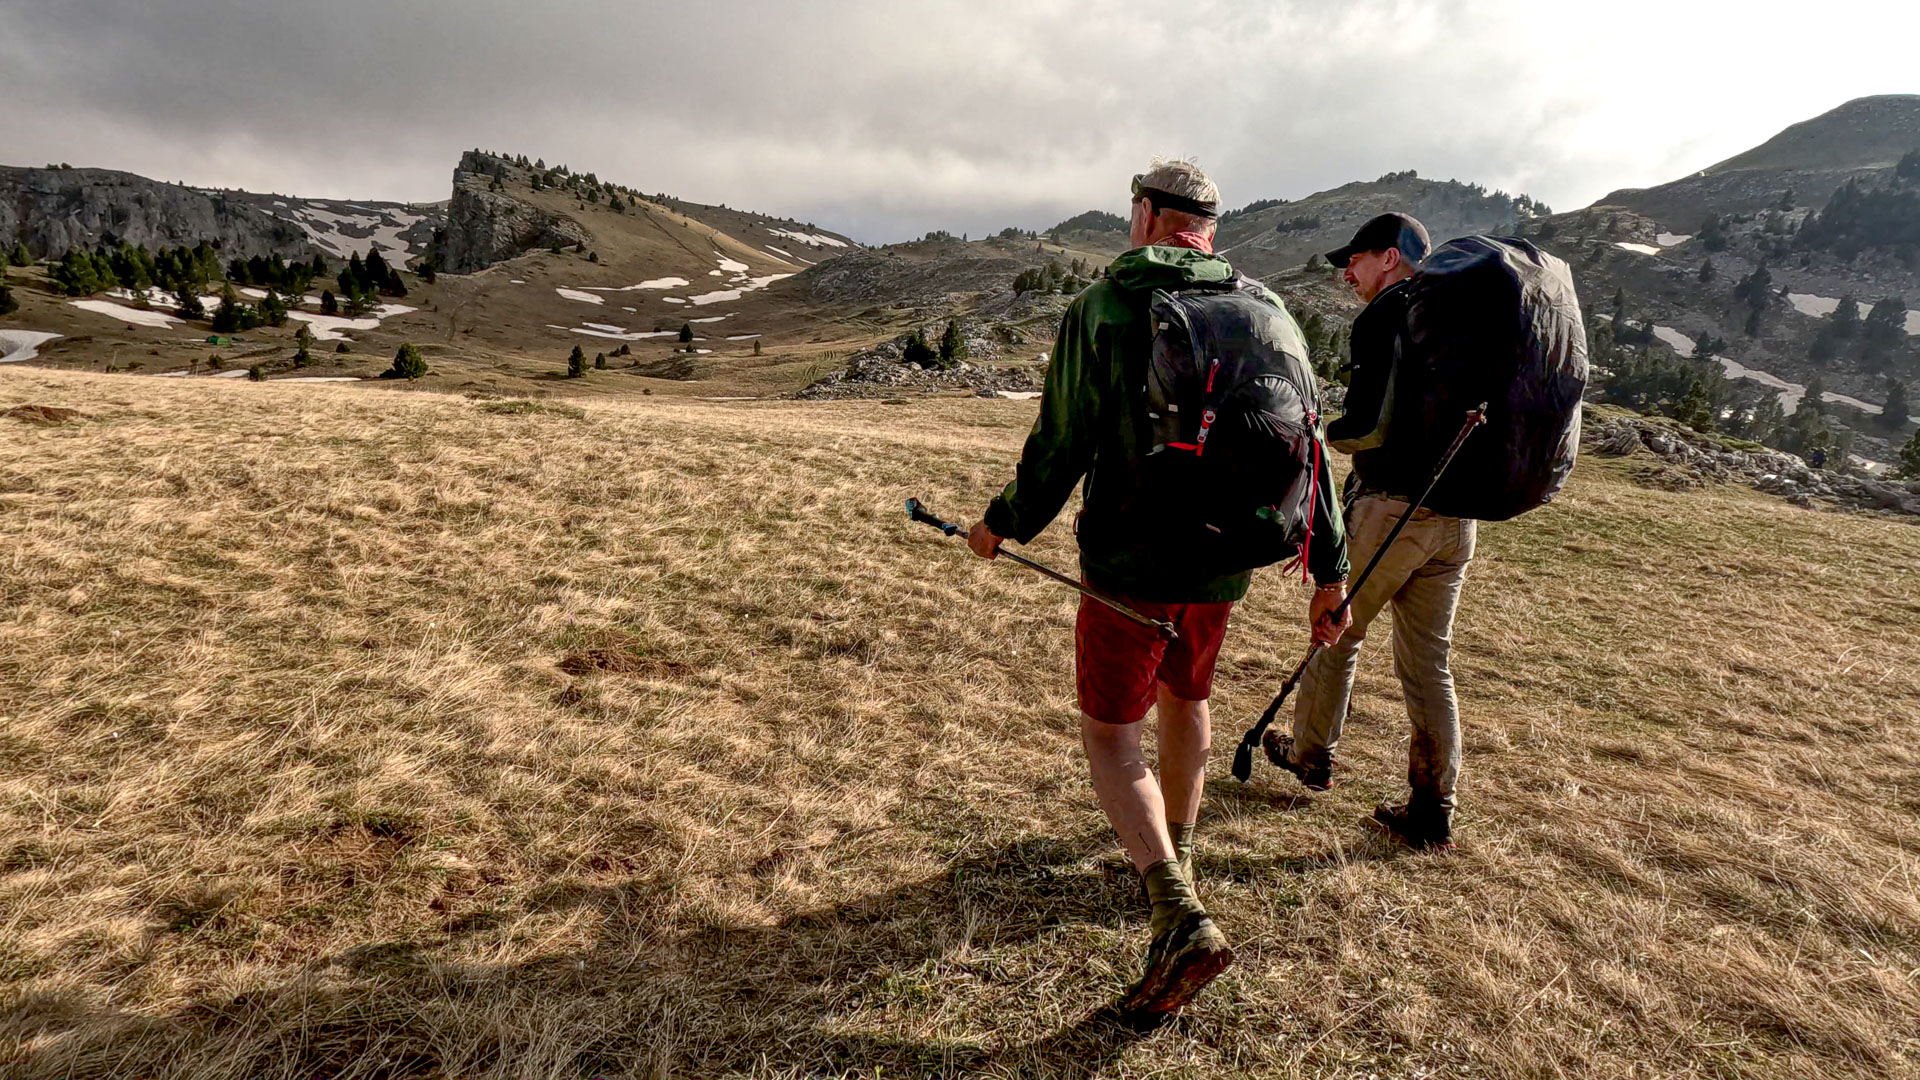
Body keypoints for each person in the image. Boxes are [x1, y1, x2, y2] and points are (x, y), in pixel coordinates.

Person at [968, 158, 1350, 1025]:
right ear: (1208, 229)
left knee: (1112, 737)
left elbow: (1059, 441)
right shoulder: (1271, 311)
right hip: (1227, 565)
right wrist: (1330, 574)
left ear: (1145, 215)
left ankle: (1175, 909)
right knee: (1190, 697)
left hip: (1130, 565)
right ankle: (1176, 851)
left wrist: (1002, 524)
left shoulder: (1105, 307)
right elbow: (1313, 452)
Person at [1263, 212, 1473, 852]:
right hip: (1456, 516)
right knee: (1429, 663)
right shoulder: (1459, 315)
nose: (1345, 272)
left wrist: (1317, 434)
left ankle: (1310, 753)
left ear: (1389, 257)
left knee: (1337, 629)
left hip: (1390, 508)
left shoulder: (1387, 314)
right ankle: (1435, 805)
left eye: (1353, 259)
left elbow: (1368, 428)